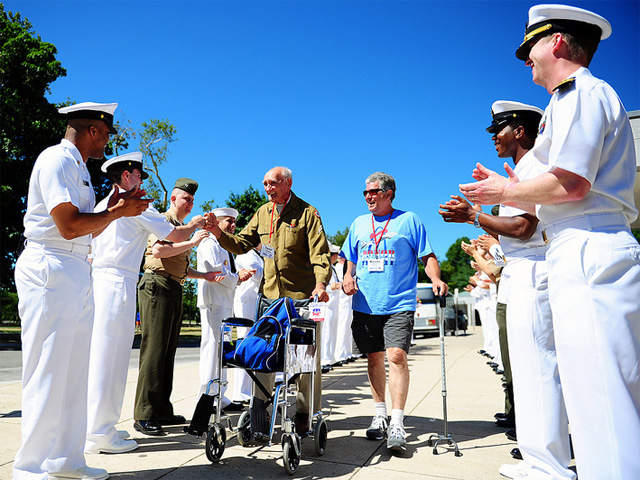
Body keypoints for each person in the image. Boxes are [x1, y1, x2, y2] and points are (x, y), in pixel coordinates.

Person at [459, 5, 640, 478]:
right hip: (574, 245)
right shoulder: (568, 100)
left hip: (588, 245)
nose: (526, 62)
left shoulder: (580, 93)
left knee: (602, 391)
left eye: (529, 49)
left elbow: (572, 185)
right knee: (586, 387)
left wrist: (503, 192)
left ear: (557, 42)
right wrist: (510, 188)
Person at [14, 102, 152, 480]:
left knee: (74, 372)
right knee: (47, 369)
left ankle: (65, 461)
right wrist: (116, 214)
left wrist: (118, 210)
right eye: (106, 134)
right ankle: (30, 467)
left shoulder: (79, 169)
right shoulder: (56, 160)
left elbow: (89, 229)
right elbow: (69, 225)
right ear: (93, 129)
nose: (108, 141)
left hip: (75, 269)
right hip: (50, 267)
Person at [444, 100, 575, 479]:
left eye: (498, 130)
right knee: (527, 367)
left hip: (533, 271)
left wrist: (473, 215)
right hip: (520, 272)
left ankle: (551, 462)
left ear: (519, 131)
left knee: (539, 367)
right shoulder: (522, 171)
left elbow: (524, 228)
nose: (493, 138)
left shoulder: (534, 167)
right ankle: (540, 456)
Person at [85, 152, 208, 454]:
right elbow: (173, 233)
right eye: (139, 175)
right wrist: (194, 228)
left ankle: (96, 428)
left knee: (102, 355)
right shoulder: (135, 205)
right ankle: (101, 432)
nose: (141, 181)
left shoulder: (104, 203)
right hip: (119, 280)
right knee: (110, 359)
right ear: (126, 176)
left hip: (102, 279)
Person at [205, 166, 331, 436]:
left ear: (288, 183)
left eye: (273, 183)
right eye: (264, 184)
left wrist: (321, 284)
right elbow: (241, 243)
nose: (268, 188)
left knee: (305, 359)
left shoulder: (308, 213)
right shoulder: (263, 212)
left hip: (303, 300)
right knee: (262, 353)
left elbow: (320, 255)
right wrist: (217, 233)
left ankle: (303, 414)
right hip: (270, 297)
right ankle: (259, 409)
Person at [341, 172, 448, 451]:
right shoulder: (359, 223)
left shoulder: (409, 220)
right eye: (365, 192)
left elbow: (428, 256)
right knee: (374, 358)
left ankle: (397, 422)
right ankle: (380, 415)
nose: (368, 197)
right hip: (365, 302)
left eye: (373, 192)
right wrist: (347, 277)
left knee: (396, 356)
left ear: (389, 193)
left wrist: (435, 279)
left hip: (398, 302)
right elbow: (350, 259)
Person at [133, 178, 217, 436]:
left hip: (173, 286)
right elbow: (159, 252)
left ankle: (161, 409)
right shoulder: (163, 221)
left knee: (167, 352)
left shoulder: (181, 228)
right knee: (154, 350)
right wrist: (192, 241)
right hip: (157, 286)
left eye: (192, 200)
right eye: (186, 199)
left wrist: (204, 276)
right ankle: (144, 414)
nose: (190, 204)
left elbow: (178, 264)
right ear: (173, 198)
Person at [196, 207, 255, 409]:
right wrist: (238, 277)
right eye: (228, 221)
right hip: (214, 302)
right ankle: (207, 396)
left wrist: (238, 275)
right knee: (212, 348)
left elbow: (225, 272)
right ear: (217, 222)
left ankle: (221, 395)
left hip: (225, 303)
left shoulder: (223, 246)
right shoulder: (208, 242)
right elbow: (215, 271)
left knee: (224, 348)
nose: (233, 226)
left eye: (234, 222)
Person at [230, 245, 265, 403]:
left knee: (253, 344)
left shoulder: (257, 255)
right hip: (245, 303)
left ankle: (248, 389)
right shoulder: (245, 253)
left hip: (255, 303)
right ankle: (240, 392)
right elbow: (258, 275)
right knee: (245, 343)